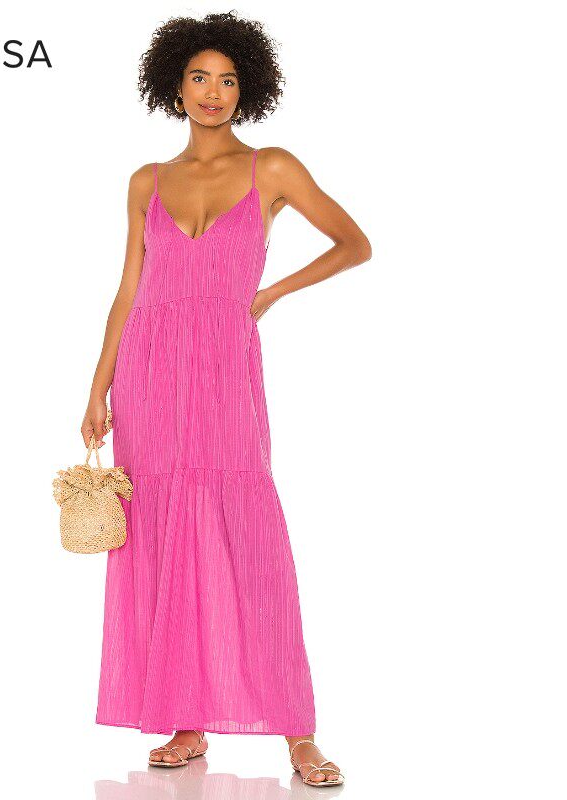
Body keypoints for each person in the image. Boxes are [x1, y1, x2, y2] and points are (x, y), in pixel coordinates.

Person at [82, 11, 371, 787]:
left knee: (248, 536)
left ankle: (298, 732)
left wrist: (271, 292)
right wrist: (98, 384)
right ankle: (188, 719)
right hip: (148, 375)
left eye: (229, 79)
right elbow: (129, 290)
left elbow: (354, 243)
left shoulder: (271, 167)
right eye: (200, 77)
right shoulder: (146, 181)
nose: (214, 92)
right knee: (163, 538)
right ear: (175, 87)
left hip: (223, 371)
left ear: (248, 89)